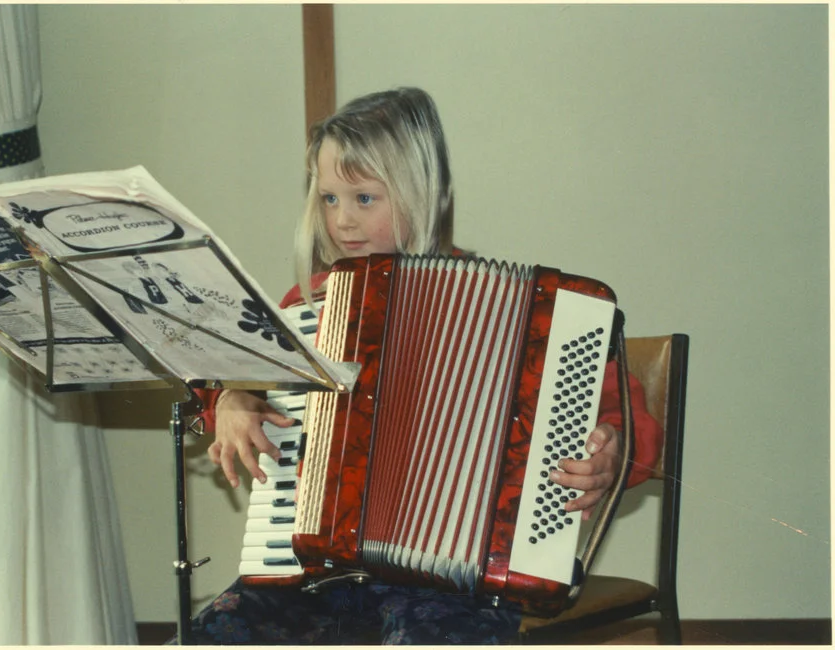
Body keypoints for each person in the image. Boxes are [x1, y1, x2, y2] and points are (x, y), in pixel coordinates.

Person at [187, 87, 663, 645]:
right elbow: (234, 377)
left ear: (424, 193)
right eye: (329, 198)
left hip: (456, 584)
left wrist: (610, 455)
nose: (342, 221)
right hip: (315, 575)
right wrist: (230, 404)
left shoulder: (521, 312)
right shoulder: (310, 306)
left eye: (365, 199)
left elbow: (625, 416)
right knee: (214, 634)